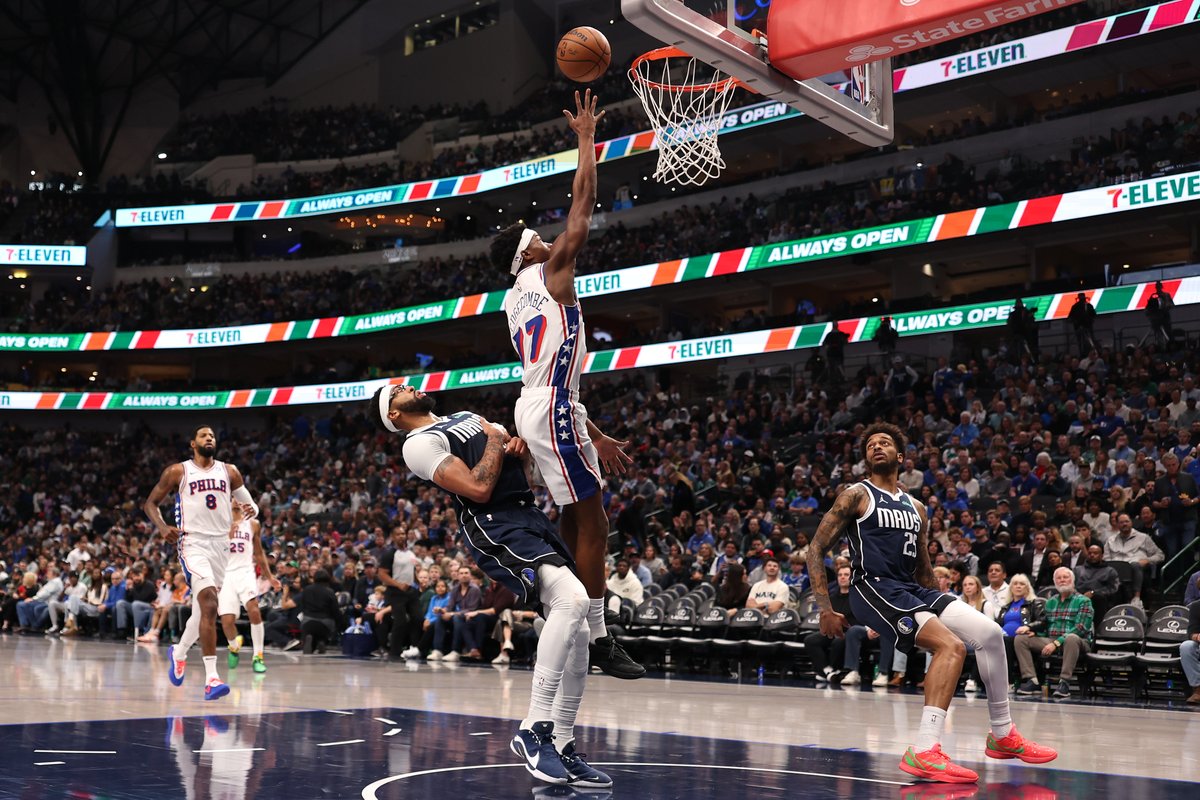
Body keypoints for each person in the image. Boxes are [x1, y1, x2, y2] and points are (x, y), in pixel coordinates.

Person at [370, 384, 613, 789]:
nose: (408, 385)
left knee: (581, 627)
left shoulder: (463, 416)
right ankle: (535, 728)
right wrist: (498, 440)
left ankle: (563, 744)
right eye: (397, 391)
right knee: (572, 600)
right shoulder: (418, 444)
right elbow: (478, 488)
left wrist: (518, 451)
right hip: (494, 526)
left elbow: (515, 473)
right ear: (393, 414)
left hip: (529, 515)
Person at [490, 89, 642, 681]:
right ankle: (597, 634)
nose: (549, 238)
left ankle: (561, 602)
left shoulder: (513, 299)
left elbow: (554, 372)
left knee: (576, 519)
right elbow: (584, 203)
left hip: (548, 404)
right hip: (551, 407)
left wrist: (591, 430)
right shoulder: (550, 271)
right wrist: (585, 138)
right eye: (538, 236)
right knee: (595, 521)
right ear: (528, 252)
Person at [807, 423, 1056, 783]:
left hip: (911, 588)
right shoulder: (856, 494)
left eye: (885, 442)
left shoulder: (917, 507)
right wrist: (825, 608)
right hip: (873, 588)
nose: (877, 447)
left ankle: (1003, 735)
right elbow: (816, 548)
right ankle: (925, 749)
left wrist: (939, 603)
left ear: (901, 456)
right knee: (950, 646)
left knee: (989, 634)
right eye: (871, 445)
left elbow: (923, 567)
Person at [144, 424, 259, 701]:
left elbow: (252, 507)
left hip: (221, 545)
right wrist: (162, 527)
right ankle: (212, 679)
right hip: (192, 543)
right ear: (193, 444)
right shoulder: (178, 471)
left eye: (212, 436)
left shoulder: (229, 471)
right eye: (204, 436)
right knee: (209, 603)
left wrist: (251, 509)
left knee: (201, 613)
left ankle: (179, 652)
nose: (209, 438)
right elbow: (150, 504)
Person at [1013, 567, 1094, 699]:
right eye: (1058, 578)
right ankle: (1032, 681)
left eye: (1065, 577)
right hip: (1052, 639)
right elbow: (1046, 624)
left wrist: (1056, 643)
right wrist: (1037, 635)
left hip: (1078, 642)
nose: (1062, 580)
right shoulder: (1051, 601)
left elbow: (1080, 628)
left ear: (1072, 580)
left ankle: (1064, 683)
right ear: (1055, 582)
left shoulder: (1084, 601)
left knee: (1071, 638)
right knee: (1021, 639)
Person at [217, 503, 279, 672]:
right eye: (233, 498)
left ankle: (258, 656)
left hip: (245, 572)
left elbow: (259, 553)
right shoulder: (219, 522)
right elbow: (214, 551)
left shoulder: (253, 524)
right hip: (225, 574)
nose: (237, 501)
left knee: (254, 610)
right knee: (227, 621)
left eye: (239, 498)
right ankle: (233, 646)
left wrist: (270, 577)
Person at [1104, 513, 1165, 610]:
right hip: (1117, 570)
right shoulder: (1111, 540)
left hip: (1136, 568)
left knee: (1135, 565)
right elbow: (1106, 559)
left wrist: (1147, 560)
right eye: (1121, 522)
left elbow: (1160, 555)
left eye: (1126, 521)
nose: (1124, 524)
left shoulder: (1143, 537)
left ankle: (1137, 598)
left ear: (1131, 523)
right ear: (1117, 524)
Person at [299, 569, 346, 654]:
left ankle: (309, 640)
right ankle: (322, 641)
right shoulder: (330, 592)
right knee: (324, 632)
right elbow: (335, 610)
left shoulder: (306, 589)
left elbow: (302, 605)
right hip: (325, 622)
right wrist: (341, 625)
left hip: (308, 620)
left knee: (308, 632)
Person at [1074, 544, 1120, 621]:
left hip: (1098, 600)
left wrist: (1093, 593)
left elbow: (1113, 589)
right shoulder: (1077, 570)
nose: (1092, 555)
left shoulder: (1110, 571)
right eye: (1090, 553)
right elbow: (1072, 586)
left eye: (1095, 553)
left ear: (1102, 555)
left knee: (1098, 598)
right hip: (1079, 597)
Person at [1182, 599, 1200, 705]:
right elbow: (1192, 633)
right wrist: (1197, 636)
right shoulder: (1196, 606)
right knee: (1186, 646)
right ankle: (1198, 689)